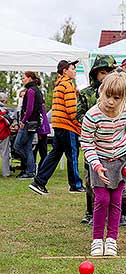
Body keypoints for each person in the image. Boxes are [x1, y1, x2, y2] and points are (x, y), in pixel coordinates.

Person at [81, 71, 126, 256]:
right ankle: (97, 240)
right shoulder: (92, 115)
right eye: (108, 95)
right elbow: (86, 142)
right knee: (102, 199)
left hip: (121, 161)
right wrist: (96, 165)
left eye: (117, 97)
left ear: (123, 97)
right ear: (101, 90)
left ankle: (112, 240)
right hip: (99, 162)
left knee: (116, 201)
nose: (111, 101)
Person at [29, 59, 84, 195]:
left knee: (55, 154)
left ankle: (39, 182)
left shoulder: (59, 85)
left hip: (58, 125)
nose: (75, 71)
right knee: (73, 155)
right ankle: (76, 185)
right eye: (73, 68)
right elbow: (72, 111)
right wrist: (80, 125)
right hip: (68, 126)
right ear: (65, 71)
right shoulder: (68, 85)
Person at [77, 54, 117, 225]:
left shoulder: (119, 92)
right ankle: (90, 211)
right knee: (91, 179)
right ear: (95, 74)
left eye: (110, 72)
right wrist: (94, 123)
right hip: (93, 142)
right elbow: (78, 114)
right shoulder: (86, 93)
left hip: (115, 143)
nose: (106, 76)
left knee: (117, 178)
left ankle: (119, 212)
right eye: (103, 72)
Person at [14, 72, 43, 179]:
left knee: (17, 146)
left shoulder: (31, 91)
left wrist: (23, 121)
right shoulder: (36, 90)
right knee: (28, 147)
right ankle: (30, 171)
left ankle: (29, 167)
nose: (22, 80)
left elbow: (29, 109)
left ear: (30, 78)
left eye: (24, 78)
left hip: (28, 123)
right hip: (34, 123)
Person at [33, 102, 50, 171]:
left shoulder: (38, 106)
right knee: (42, 152)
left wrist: (39, 132)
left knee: (38, 151)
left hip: (41, 132)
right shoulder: (41, 106)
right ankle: (41, 168)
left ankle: (39, 168)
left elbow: (41, 120)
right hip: (43, 131)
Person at [0, 93, 13, 177]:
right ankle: (6, 173)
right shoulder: (5, 111)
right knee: (5, 154)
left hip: (3, 133)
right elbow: (9, 122)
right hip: (4, 133)